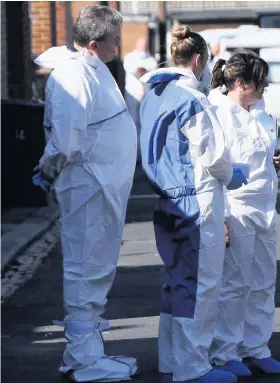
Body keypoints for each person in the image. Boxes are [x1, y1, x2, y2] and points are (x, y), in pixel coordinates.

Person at [32, 5, 137, 382]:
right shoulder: (74, 75)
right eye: (114, 41)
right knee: (86, 268)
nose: (117, 47)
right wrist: (47, 169)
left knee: (96, 266)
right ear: (94, 43)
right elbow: (66, 139)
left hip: (99, 185)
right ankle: (84, 359)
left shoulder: (90, 70)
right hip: (89, 186)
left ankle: (86, 352)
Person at [140, 25, 247, 383]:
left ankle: (173, 359)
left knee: (176, 282)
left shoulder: (154, 94)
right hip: (197, 200)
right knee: (200, 285)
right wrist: (234, 172)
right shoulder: (192, 99)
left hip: (167, 198)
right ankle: (193, 367)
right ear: (199, 59)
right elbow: (214, 156)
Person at [208, 50, 280, 377]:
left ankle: (256, 348)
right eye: (259, 82)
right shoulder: (217, 112)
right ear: (240, 83)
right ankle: (226, 351)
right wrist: (219, 216)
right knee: (235, 285)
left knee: (263, 282)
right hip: (235, 207)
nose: (265, 86)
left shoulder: (262, 111)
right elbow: (214, 165)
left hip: (266, 206)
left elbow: (264, 154)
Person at [123, 38, 158, 160]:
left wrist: (143, 68)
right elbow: (130, 67)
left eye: (145, 45)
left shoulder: (150, 58)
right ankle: (133, 151)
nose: (143, 47)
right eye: (142, 45)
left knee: (144, 122)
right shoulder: (130, 57)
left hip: (146, 95)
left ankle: (143, 151)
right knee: (133, 122)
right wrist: (140, 68)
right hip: (133, 93)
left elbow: (152, 67)